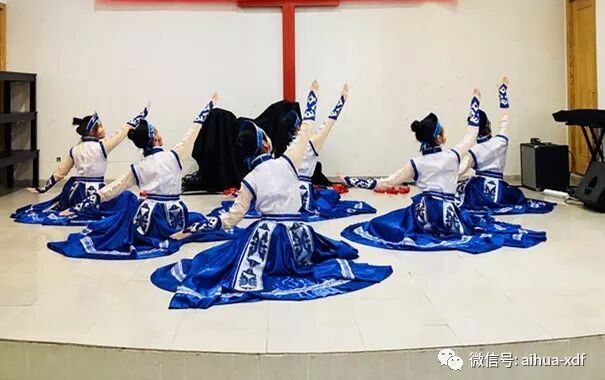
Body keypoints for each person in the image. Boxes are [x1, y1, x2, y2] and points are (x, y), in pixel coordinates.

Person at [151, 81, 392, 309]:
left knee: (224, 258)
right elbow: (308, 127)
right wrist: (313, 96)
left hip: (264, 237)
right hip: (298, 235)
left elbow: (230, 220)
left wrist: (192, 230)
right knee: (327, 251)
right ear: (266, 144)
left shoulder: (249, 179)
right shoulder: (288, 161)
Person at [340, 90, 547, 254]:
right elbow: (471, 135)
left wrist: (351, 181)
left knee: (383, 224)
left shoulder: (416, 163)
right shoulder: (452, 156)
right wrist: (475, 101)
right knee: (471, 220)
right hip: (449, 215)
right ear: (439, 137)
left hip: (425, 214)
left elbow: (386, 183)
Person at [47, 94, 234, 260]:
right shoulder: (174, 156)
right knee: (197, 218)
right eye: (157, 132)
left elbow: (112, 189)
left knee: (129, 206)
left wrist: (77, 207)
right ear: (155, 138)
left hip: (148, 219)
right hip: (174, 216)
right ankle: (185, 231)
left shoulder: (138, 167)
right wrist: (208, 106)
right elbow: (192, 132)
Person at [213, 84, 376, 222]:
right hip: (299, 196)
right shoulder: (296, 151)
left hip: (282, 193)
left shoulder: (286, 151)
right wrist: (332, 100)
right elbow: (327, 123)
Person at [12, 107, 149, 225]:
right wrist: (139, 117)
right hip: (95, 191)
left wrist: (43, 188)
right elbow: (121, 133)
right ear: (93, 131)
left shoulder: (75, 149)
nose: (104, 128)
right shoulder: (102, 146)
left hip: (75, 193)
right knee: (127, 198)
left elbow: (61, 172)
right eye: (100, 126)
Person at [456, 77, 555, 215]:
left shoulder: (473, 151)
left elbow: (459, 171)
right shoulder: (501, 141)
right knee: (516, 195)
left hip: (478, 190)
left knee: (459, 191)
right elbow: (505, 118)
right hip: (500, 189)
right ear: (488, 125)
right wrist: (502, 92)